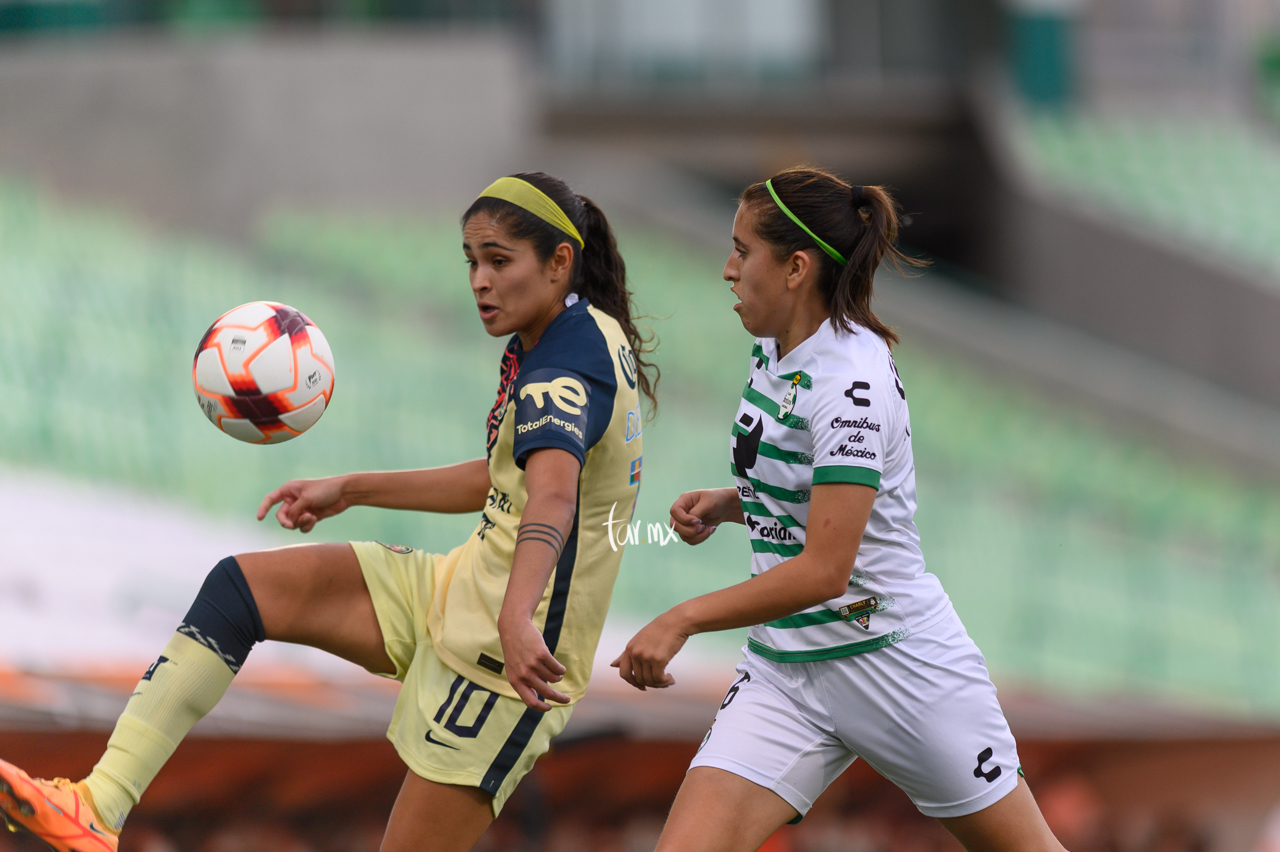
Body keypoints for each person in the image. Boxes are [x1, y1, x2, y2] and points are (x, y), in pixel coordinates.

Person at [0, 171, 655, 852]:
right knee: (242, 589)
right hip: (459, 590)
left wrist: (517, 616)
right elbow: (505, 479)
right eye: (471, 262)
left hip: (504, 659)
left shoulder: (565, 368)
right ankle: (98, 808)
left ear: (559, 262)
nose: (479, 282)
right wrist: (351, 488)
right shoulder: (569, 336)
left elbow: (554, 496)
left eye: (498, 261)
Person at [612, 166, 1066, 852]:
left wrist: (683, 618)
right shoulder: (773, 349)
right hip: (787, 670)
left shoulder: (850, 384)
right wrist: (735, 504)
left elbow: (826, 569)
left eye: (742, 250)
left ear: (796, 268)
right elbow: (812, 494)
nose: (727, 269)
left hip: (899, 668)